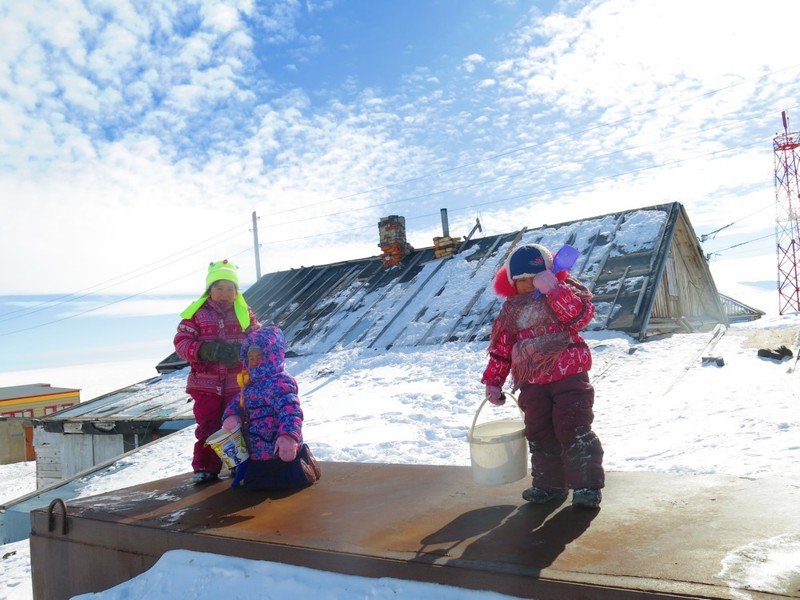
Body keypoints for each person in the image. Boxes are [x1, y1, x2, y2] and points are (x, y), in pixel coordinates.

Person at [481, 243, 605, 508]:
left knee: (573, 427)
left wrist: (555, 291)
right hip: (532, 382)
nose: (527, 284)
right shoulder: (510, 310)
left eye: (532, 278)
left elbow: (580, 318)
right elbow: (502, 349)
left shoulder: (563, 292)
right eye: (520, 280)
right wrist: (494, 381)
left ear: (546, 274)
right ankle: (550, 485)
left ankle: (586, 486)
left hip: (568, 375)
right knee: (539, 432)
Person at [174, 259, 260, 484]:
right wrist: (206, 349)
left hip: (236, 383)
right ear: (209, 289)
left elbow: (258, 339)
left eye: (230, 288)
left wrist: (245, 350)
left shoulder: (244, 313)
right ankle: (205, 466)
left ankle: (238, 465)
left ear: (236, 291)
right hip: (205, 384)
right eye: (219, 287)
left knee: (238, 422)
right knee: (208, 425)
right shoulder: (196, 314)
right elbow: (181, 344)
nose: (225, 293)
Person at [221, 325, 320, 490]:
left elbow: (290, 411)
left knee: (288, 480)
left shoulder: (280, 382)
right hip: (257, 452)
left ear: (271, 356)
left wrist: (288, 437)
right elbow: (237, 403)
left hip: (278, 449)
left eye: (258, 356)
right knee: (256, 485)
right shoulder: (248, 384)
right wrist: (232, 415)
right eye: (249, 357)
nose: (253, 361)